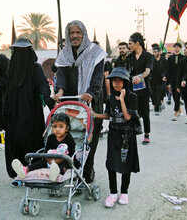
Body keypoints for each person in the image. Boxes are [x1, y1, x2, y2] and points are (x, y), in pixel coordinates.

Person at [54, 20, 107, 183]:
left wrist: (91, 92)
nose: (75, 36)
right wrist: (60, 91)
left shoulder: (96, 52)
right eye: (71, 33)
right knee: (69, 138)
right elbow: (61, 76)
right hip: (70, 103)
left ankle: (87, 172)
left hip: (90, 103)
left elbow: (98, 78)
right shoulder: (64, 54)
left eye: (78, 33)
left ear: (84, 34)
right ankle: (68, 172)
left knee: (89, 141)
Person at [4, 38, 52, 179]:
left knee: (31, 141)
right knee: (16, 142)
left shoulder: (35, 68)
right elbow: (6, 92)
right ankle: (17, 172)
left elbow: (44, 86)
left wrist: (49, 102)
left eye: (24, 52)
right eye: (18, 52)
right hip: (14, 114)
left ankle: (32, 171)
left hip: (31, 113)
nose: (20, 55)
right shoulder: (11, 68)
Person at [93, 67, 139, 207]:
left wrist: (123, 99)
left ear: (126, 82)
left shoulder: (132, 97)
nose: (117, 84)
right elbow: (109, 115)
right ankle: (113, 193)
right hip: (113, 134)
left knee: (126, 164)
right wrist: (94, 114)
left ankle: (124, 192)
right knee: (111, 163)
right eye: (114, 81)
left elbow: (127, 117)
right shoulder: (110, 97)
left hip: (127, 136)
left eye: (120, 81)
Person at [11, 113, 76, 182]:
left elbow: (71, 153)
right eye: (55, 127)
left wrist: (58, 161)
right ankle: (25, 169)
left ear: (67, 128)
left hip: (63, 160)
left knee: (64, 166)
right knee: (41, 162)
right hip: (50, 159)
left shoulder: (69, 139)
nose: (57, 129)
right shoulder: (51, 138)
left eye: (61, 127)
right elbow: (46, 151)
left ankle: (55, 173)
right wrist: (50, 161)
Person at [126, 32, 153, 144]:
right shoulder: (129, 57)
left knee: (145, 112)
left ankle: (146, 134)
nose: (129, 46)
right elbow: (127, 70)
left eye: (130, 43)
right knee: (132, 111)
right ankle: (131, 132)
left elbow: (147, 70)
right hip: (131, 89)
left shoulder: (148, 56)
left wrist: (140, 77)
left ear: (137, 43)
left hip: (144, 89)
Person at [167, 43, 184, 121]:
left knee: (177, 96)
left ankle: (175, 113)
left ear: (180, 48)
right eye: (175, 47)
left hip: (180, 80)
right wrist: (168, 82)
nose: (176, 48)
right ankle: (179, 109)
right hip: (173, 80)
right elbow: (168, 70)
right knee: (174, 96)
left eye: (178, 47)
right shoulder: (170, 58)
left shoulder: (183, 58)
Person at [151, 43, 168, 116]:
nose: (155, 53)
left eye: (156, 52)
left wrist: (164, 76)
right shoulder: (151, 59)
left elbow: (166, 69)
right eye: (154, 52)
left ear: (159, 52)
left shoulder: (163, 60)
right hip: (152, 80)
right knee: (153, 95)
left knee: (158, 93)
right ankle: (156, 104)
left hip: (161, 80)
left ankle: (157, 109)